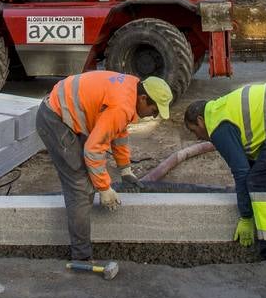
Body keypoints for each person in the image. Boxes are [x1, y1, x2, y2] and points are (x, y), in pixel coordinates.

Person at [36, 71, 173, 264]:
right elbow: (93, 151)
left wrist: (125, 169)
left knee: (89, 179)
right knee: (80, 186)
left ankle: (81, 244)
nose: (153, 116)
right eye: (154, 110)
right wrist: (104, 188)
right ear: (143, 99)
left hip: (66, 112)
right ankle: (81, 257)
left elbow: (119, 131)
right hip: (55, 120)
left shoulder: (132, 88)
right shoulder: (122, 106)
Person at [183, 83, 266, 260]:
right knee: (262, 174)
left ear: (200, 121)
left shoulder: (217, 127)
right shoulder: (220, 111)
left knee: (261, 183)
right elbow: (249, 165)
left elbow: (240, 172)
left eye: (195, 130)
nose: (197, 137)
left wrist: (246, 216)